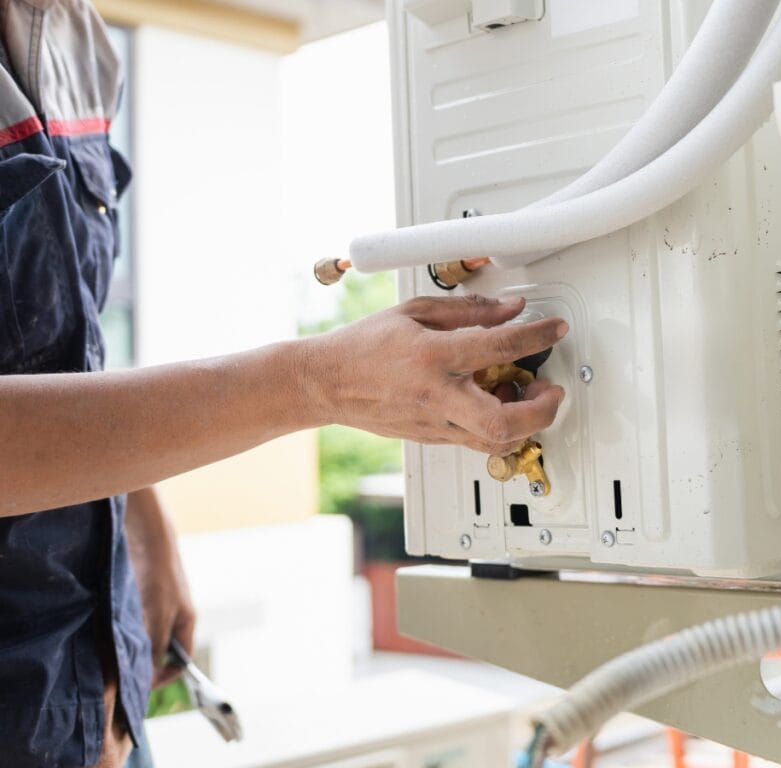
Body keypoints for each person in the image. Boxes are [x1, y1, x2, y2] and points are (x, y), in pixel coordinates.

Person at [0, 3, 567, 767]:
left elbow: (63, 341)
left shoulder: (77, 39)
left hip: (93, 701)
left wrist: (143, 518)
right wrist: (319, 382)